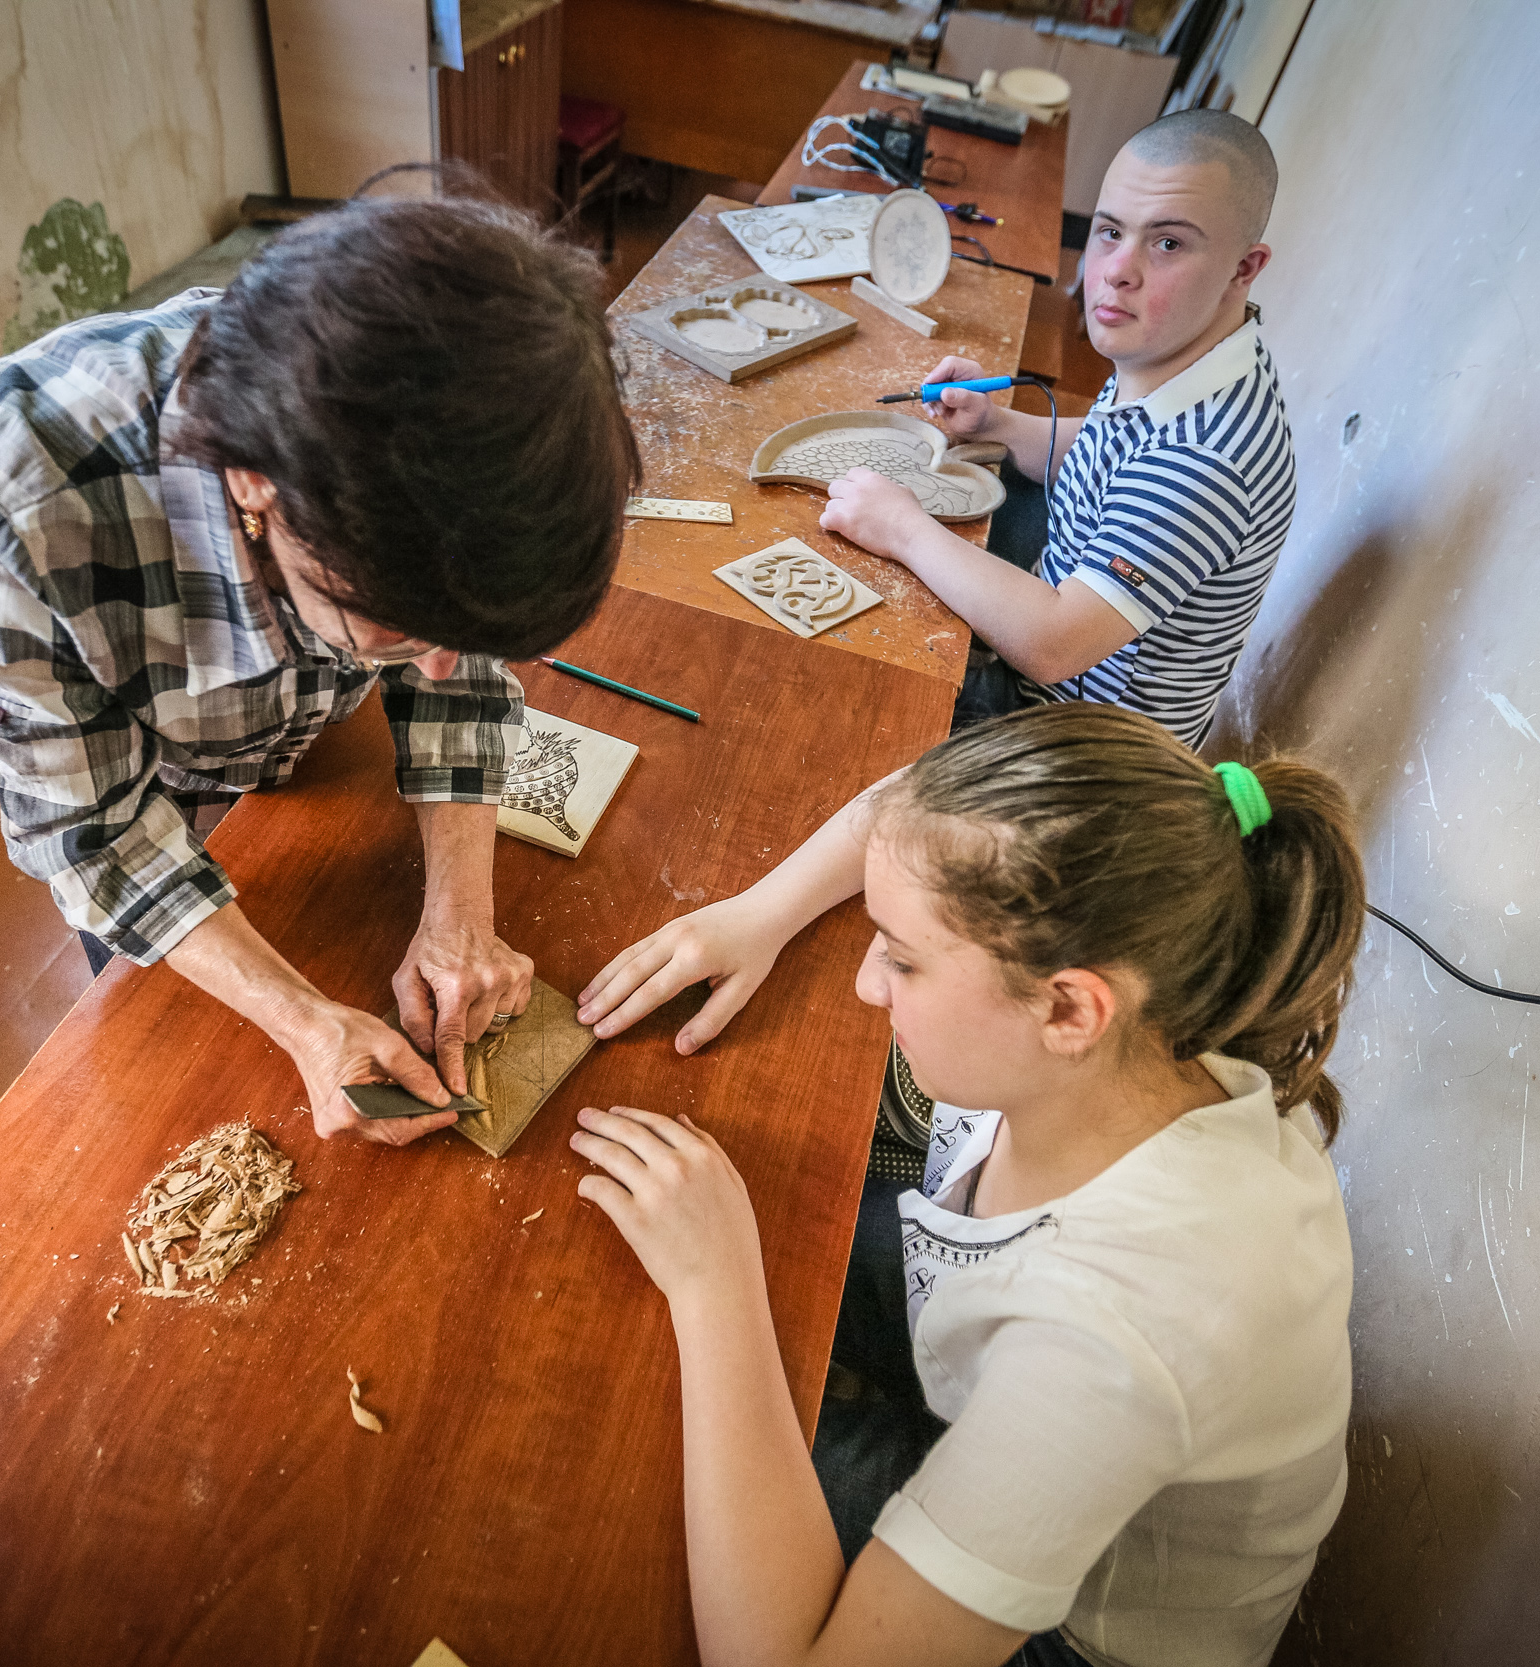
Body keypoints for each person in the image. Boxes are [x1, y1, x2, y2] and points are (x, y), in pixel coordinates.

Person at [566, 703, 1363, 1666]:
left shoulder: (1120, 1332)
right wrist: (759, 913)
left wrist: (715, 1288)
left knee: (634, 1463)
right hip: (1011, 1366)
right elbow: (908, 811)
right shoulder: (1147, 1029)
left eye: (902, 958)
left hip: (1064, 1637)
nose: (869, 984)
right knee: (735, 1234)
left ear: (1069, 1008)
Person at [0, 190, 637, 1145]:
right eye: (395, 629)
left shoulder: (452, 419)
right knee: (161, 1079)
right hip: (150, 797)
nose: (440, 666)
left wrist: (460, 914)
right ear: (255, 485)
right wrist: (305, 1021)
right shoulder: (16, 492)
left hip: (310, 745)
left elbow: (454, 659)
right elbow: (94, 834)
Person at [819, 110, 1297, 746]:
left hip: (1072, 750)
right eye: (1110, 232)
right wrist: (1000, 423)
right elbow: (1114, 459)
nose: (1117, 270)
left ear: (1244, 268)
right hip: (1051, 654)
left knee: (839, 698)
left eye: (1168, 244)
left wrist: (902, 528)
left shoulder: (1205, 459)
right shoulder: (1187, 352)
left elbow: (1052, 645)